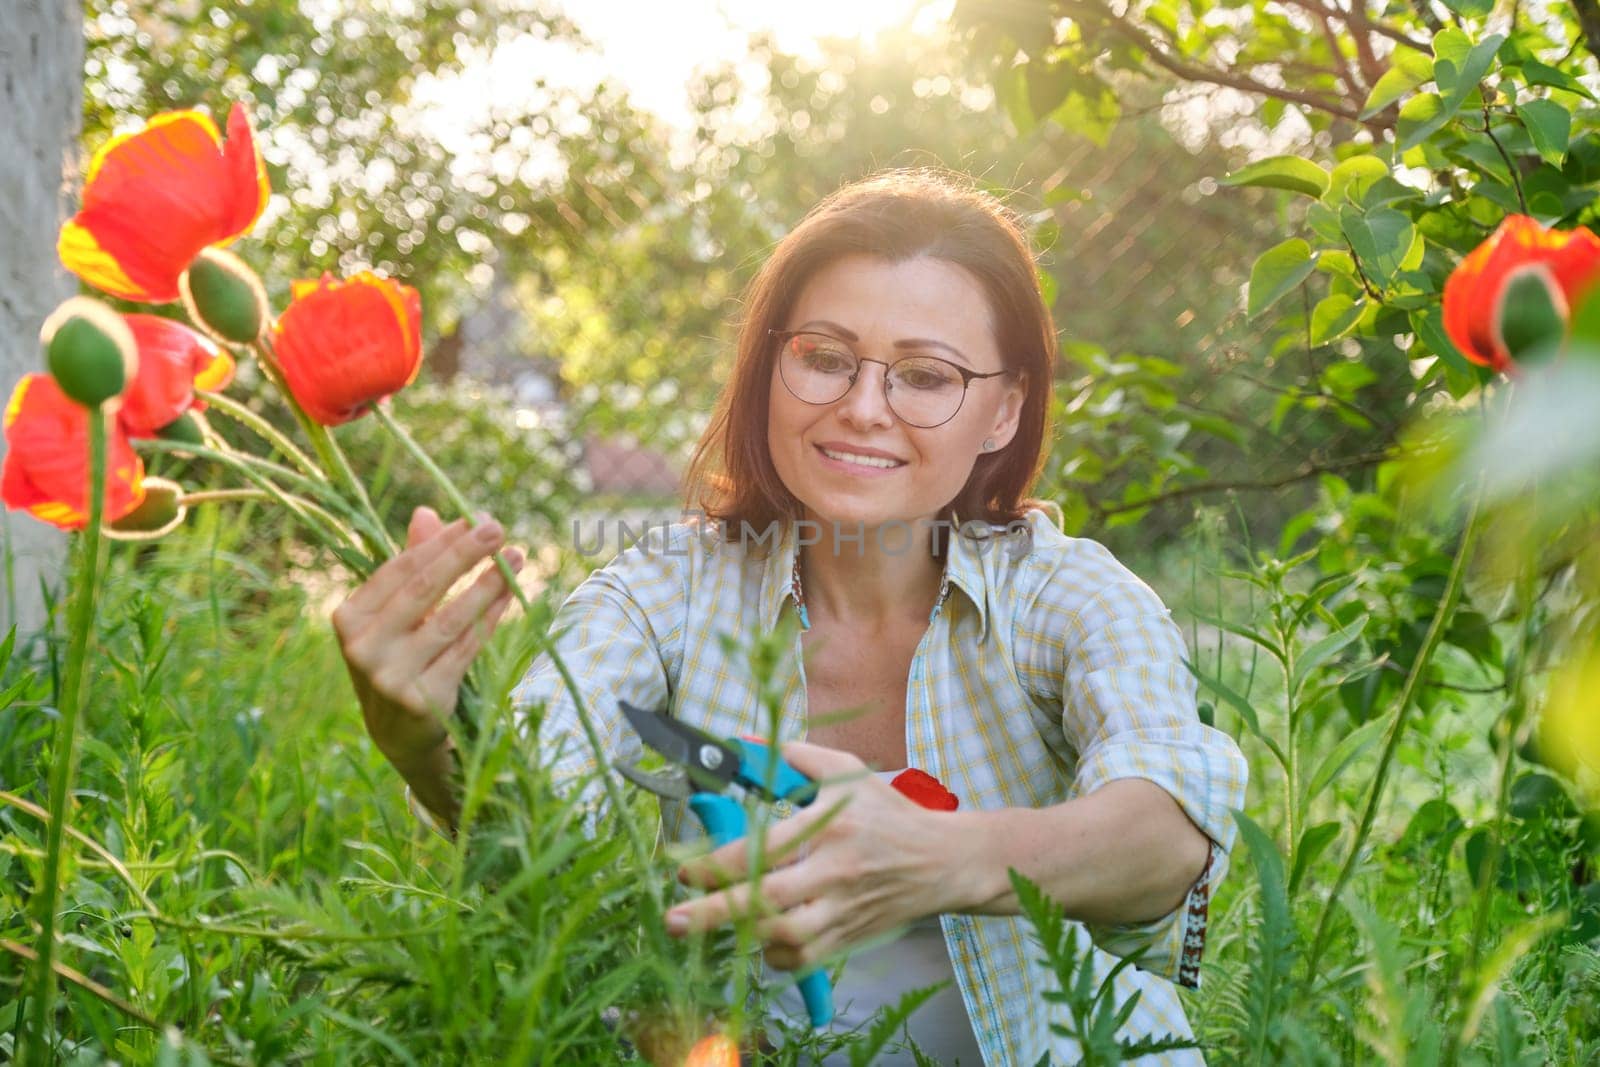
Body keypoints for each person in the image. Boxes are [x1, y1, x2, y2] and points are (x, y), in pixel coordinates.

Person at [333, 169, 1249, 1065]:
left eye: (925, 376)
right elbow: (540, 804)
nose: (861, 408)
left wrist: (941, 856)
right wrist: (425, 745)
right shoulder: (665, 590)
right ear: (771, 366)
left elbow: (1168, 831)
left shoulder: (1066, 590)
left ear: (1004, 412)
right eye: (823, 357)